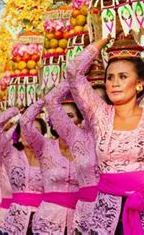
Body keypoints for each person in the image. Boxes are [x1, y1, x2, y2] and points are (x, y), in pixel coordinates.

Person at [67, 35, 144, 234]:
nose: (114, 83)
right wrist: (105, 37)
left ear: (139, 84)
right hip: (106, 217)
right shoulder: (100, 115)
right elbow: (73, 71)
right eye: (110, 77)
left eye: (123, 77)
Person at [45, 80, 100, 234]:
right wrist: (74, 79)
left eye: (70, 115)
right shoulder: (72, 138)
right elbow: (50, 100)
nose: (65, 120)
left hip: (110, 210)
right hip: (75, 215)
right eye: (62, 116)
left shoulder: (109, 130)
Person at [19, 98, 79, 234]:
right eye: (59, 116)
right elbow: (25, 122)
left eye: (70, 116)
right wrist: (45, 100)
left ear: (79, 120)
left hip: (78, 222)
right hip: (47, 224)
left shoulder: (87, 147)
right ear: (52, 121)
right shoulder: (44, 146)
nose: (64, 120)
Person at [0, 109, 44, 235]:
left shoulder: (49, 156)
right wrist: (16, 111)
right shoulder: (11, 155)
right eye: (25, 129)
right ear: (19, 135)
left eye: (35, 129)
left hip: (43, 219)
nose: (29, 132)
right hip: (15, 222)